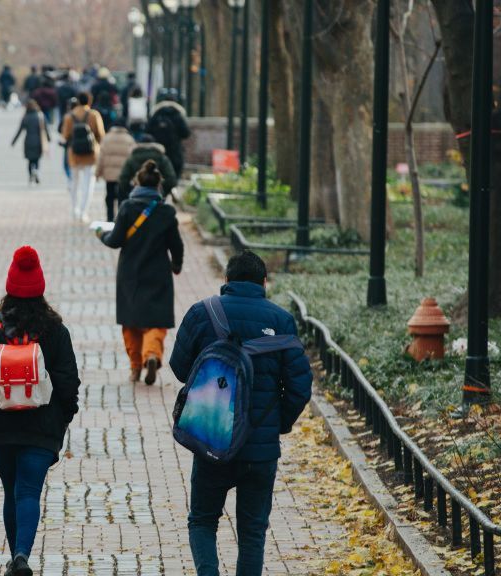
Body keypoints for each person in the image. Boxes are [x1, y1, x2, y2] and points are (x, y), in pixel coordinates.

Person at [169, 250, 313, 576]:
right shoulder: (281, 321)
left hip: (212, 440)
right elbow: (300, 386)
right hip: (260, 451)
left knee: (202, 521)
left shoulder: (202, 313)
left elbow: (180, 369)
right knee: (252, 534)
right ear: (264, 282)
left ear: (226, 281)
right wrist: (278, 423)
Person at [0, 246, 81, 576]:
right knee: (28, 491)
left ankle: (17, 557)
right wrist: (60, 420)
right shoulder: (55, 330)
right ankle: (21, 556)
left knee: (11, 490)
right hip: (40, 429)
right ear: (40, 288)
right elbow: (69, 383)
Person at [97, 161, 183, 384]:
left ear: (136, 183)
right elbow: (176, 244)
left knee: (131, 321)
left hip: (130, 273)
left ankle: (135, 366)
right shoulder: (166, 211)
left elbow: (115, 240)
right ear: (158, 186)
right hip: (159, 273)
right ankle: (152, 354)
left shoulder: (127, 207)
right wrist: (177, 264)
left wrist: (101, 235)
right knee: (156, 320)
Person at [60, 92, 106, 222]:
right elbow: (101, 135)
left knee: (74, 182)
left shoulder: (69, 116)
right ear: (89, 102)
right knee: (88, 183)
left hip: (73, 154)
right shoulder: (94, 115)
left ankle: (74, 209)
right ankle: (83, 211)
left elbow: (64, 136)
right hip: (90, 154)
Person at [95, 121, 137, 222]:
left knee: (109, 197)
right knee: (123, 197)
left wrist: (97, 172)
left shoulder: (107, 138)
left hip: (109, 174)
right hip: (124, 175)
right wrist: (134, 175)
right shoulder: (129, 139)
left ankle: (110, 218)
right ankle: (121, 219)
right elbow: (134, 159)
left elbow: (101, 157)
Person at [118, 134, 178, 203]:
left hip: (136, 198)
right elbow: (171, 179)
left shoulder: (132, 157)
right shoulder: (161, 157)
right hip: (157, 200)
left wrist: (130, 191)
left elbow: (123, 178)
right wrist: (163, 192)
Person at [147, 90, 191, 178]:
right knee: (174, 176)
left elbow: (148, 131)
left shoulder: (156, 114)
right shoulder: (178, 114)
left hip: (158, 152)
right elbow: (186, 133)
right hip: (175, 152)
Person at [12, 100, 51, 185]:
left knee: (30, 160)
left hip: (28, 141)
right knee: (37, 159)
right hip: (38, 141)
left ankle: (30, 174)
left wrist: (13, 141)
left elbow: (19, 130)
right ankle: (36, 171)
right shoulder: (40, 116)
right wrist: (48, 138)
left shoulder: (25, 117)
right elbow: (45, 129)